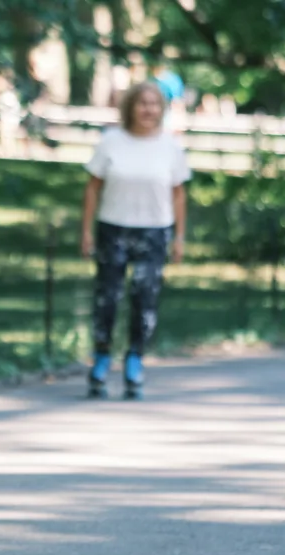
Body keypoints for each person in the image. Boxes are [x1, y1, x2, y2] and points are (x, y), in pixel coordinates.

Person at [80, 81, 190, 400]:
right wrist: (86, 230)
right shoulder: (111, 142)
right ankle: (101, 357)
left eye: (154, 103)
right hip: (114, 228)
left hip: (154, 231)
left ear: (162, 109)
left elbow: (179, 195)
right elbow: (92, 187)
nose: (148, 109)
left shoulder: (170, 147)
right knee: (108, 298)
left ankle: (134, 359)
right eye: (142, 103)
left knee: (145, 300)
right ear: (131, 107)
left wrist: (179, 238)